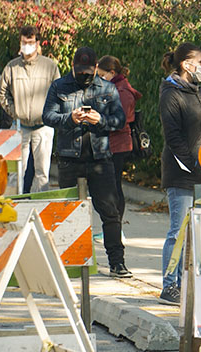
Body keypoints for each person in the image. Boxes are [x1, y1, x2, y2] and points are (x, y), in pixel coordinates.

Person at [42, 46, 132, 278]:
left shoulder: (107, 88)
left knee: (110, 212)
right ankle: (69, 261)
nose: (85, 75)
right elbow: (48, 116)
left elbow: (120, 120)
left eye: (89, 71)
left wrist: (100, 119)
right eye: (80, 71)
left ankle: (117, 262)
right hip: (69, 159)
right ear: (73, 67)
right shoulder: (59, 86)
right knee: (68, 212)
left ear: (95, 69)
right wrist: (70, 118)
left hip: (100, 158)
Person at [158, 42, 201, 305]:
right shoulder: (171, 94)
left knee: (199, 232)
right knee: (178, 231)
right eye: (200, 61)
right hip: (181, 172)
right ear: (186, 64)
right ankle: (170, 285)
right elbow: (174, 138)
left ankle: (193, 284)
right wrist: (192, 165)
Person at [0, 26, 60, 192]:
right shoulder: (12, 67)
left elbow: (59, 92)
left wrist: (50, 112)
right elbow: (1, 91)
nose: (27, 46)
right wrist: (13, 111)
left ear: (37, 43)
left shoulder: (49, 66)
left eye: (30, 42)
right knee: (16, 173)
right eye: (24, 42)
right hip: (21, 126)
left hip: (43, 126)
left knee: (42, 173)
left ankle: (41, 208)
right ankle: (13, 208)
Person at [97, 55, 142, 230]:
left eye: (102, 75)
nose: (100, 79)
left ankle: (116, 226)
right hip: (112, 143)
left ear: (112, 73)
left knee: (114, 187)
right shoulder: (113, 88)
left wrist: (100, 121)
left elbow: (120, 120)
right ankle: (113, 225)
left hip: (118, 144)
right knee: (110, 186)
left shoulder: (122, 92)